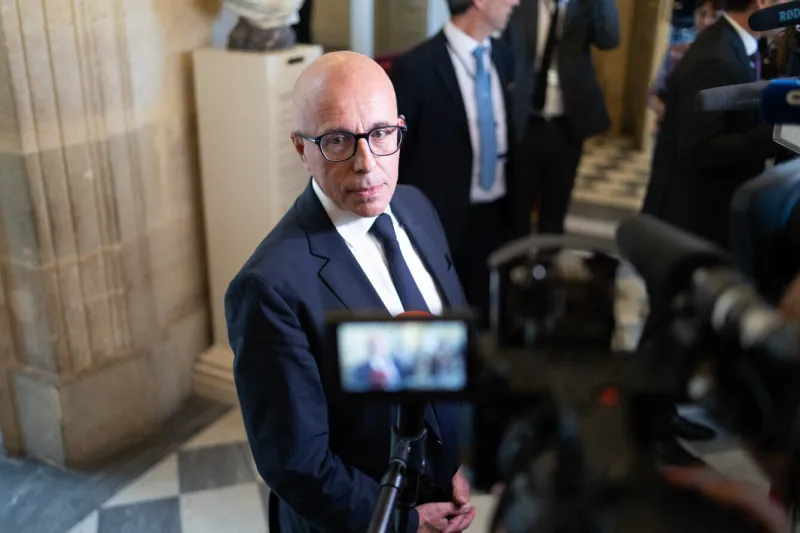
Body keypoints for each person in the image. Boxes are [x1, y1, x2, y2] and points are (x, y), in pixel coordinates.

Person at [226, 51, 475, 533]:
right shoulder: (268, 287)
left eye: (381, 134)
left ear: (400, 131)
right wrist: (405, 523)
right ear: (301, 149)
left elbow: (444, 349)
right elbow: (296, 464)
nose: (366, 164)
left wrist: (455, 461)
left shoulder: (417, 206)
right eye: (338, 140)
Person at [390, 0, 521, 329]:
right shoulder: (415, 68)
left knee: (491, 310)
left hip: (497, 212)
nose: (516, 2)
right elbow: (395, 155)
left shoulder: (504, 57)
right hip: (443, 220)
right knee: (446, 316)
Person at [641, 0, 785, 250]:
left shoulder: (735, 45)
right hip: (692, 222)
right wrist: (779, 132)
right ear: (764, 4)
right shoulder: (716, 57)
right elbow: (702, 148)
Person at [504, 0, 620, 236]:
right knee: (516, 209)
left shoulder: (586, 5)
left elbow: (609, 38)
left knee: (555, 211)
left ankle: (546, 268)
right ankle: (512, 268)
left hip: (567, 122)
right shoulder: (522, 5)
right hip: (524, 119)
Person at [649, 0, 722, 127]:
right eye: (702, 14)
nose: (706, 21)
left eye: (714, 16)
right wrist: (670, 116)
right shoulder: (677, 52)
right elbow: (653, 95)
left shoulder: (726, 59)